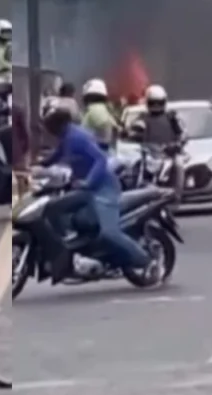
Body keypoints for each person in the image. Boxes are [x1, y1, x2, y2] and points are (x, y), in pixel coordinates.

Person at [39, 107, 155, 279]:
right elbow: (59, 154)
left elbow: (100, 159)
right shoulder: (66, 137)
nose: (47, 131)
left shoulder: (77, 137)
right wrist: (41, 165)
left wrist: (89, 182)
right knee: (53, 208)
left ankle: (146, 261)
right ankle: (69, 251)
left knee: (108, 233)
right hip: (84, 190)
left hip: (103, 189)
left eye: (48, 127)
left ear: (57, 126)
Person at [81, 78, 118, 151]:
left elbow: (103, 123)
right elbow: (114, 128)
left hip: (93, 150)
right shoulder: (103, 109)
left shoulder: (95, 109)